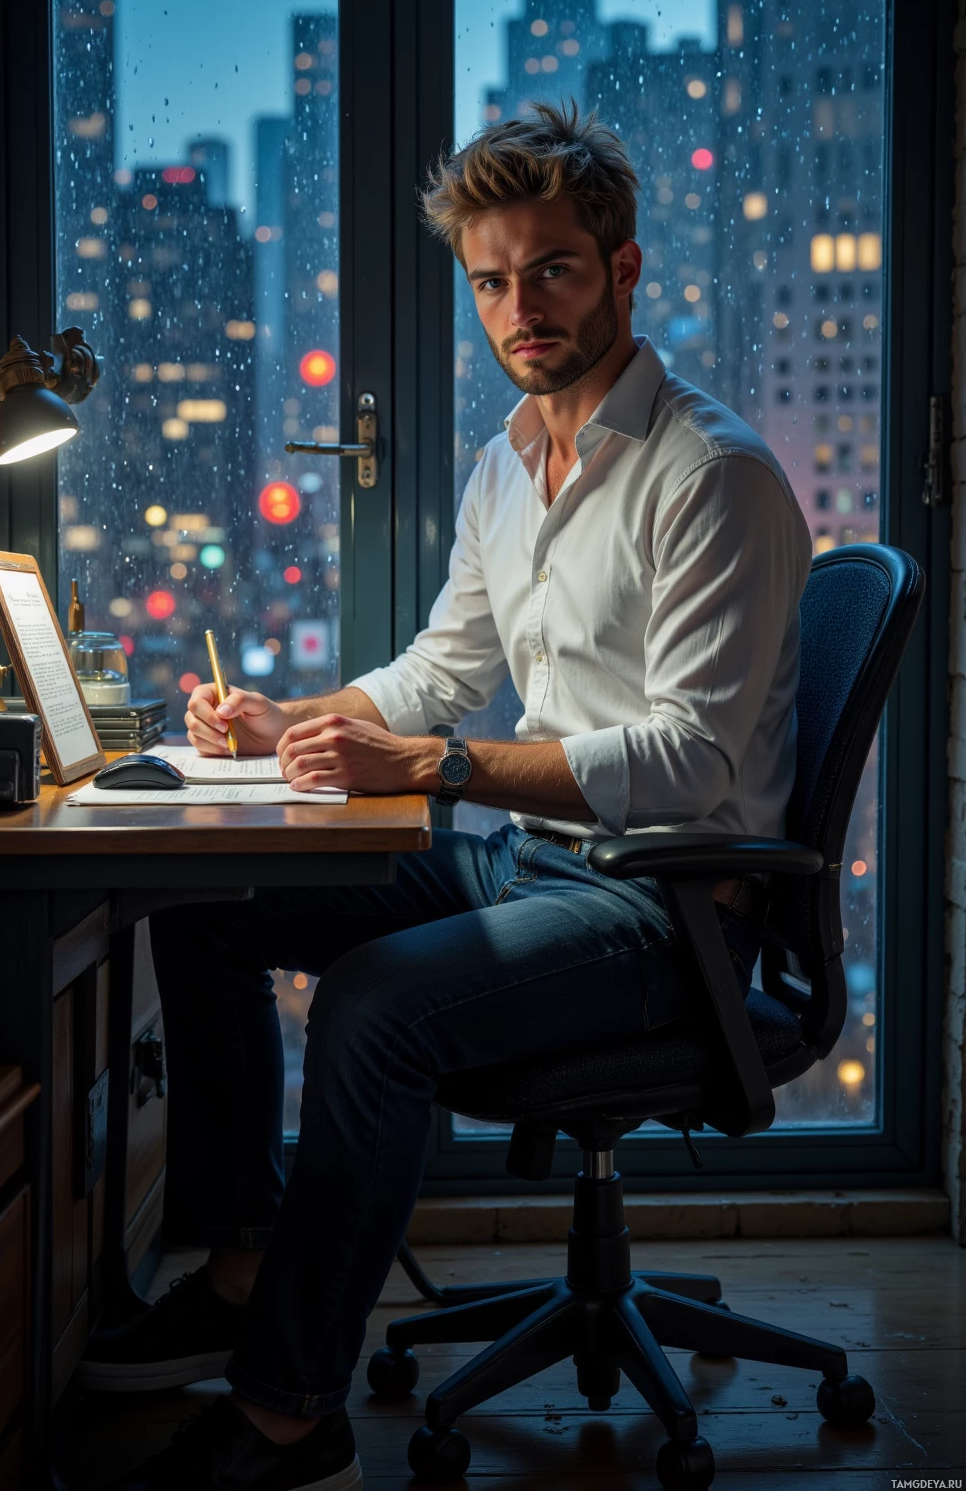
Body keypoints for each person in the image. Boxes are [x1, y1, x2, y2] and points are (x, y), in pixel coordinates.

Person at [89, 101, 811, 1490]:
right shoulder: (509, 466)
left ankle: (288, 1412)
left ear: (625, 270)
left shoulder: (708, 476)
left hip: (666, 903)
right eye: (491, 278)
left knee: (374, 1005)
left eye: (552, 268)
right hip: (532, 865)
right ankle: (243, 1267)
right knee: (213, 900)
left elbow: (690, 766)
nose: (519, 306)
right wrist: (291, 724)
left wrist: (438, 768)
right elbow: (443, 667)